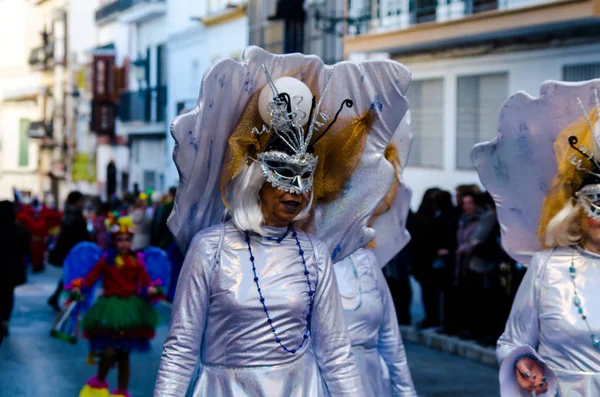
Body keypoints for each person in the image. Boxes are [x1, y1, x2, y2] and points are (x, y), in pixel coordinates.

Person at [154, 47, 410, 396]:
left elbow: (335, 353)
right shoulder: (209, 247)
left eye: (306, 178)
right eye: (284, 176)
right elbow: (181, 348)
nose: (297, 190)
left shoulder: (314, 253)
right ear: (255, 180)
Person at [473, 81, 600, 396]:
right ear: (573, 208)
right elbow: (512, 342)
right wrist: (524, 363)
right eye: (596, 201)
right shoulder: (548, 267)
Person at [333, 144, 417, 396]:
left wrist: (406, 392)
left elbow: (390, 340)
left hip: (371, 383)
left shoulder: (366, 261)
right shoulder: (303, 262)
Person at [69, 216, 159, 397]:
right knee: (109, 351)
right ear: (114, 241)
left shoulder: (137, 260)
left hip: (131, 311)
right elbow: (91, 278)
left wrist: (151, 288)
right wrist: (80, 287)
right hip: (108, 309)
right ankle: (98, 385)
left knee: (125, 354)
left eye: (127, 240)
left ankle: (121, 392)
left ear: (131, 241)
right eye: (120, 240)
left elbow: (146, 280)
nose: (124, 244)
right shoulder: (106, 260)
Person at [47, 191, 90, 311]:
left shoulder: (67, 212)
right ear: (77, 201)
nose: (83, 204)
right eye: (82, 201)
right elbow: (81, 234)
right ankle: (69, 299)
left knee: (68, 274)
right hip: (73, 250)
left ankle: (56, 297)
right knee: (72, 275)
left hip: (66, 249)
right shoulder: (76, 214)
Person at [0, 201, 30, 342]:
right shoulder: (19, 230)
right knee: (8, 295)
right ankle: (5, 320)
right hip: (12, 270)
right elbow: (25, 248)